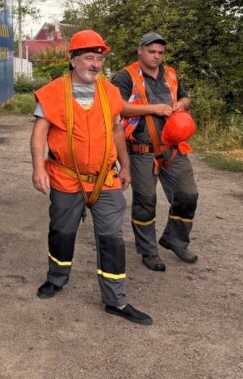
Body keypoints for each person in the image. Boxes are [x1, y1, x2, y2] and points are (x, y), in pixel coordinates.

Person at [31, 30, 152, 325]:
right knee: (62, 232)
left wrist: (125, 166)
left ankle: (116, 300)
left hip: (105, 180)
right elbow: (39, 134)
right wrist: (37, 168)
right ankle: (57, 278)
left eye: (99, 58)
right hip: (65, 177)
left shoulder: (111, 92)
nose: (95, 64)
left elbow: (115, 131)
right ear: (73, 60)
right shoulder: (52, 92)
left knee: (112, 239)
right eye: (89, 58)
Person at [112, 32, 198, 271]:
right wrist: (155, 109)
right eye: (152, 52)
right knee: (145, 201)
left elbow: (185, 97)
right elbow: (117, 107)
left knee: (188, 194)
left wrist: (181, 105)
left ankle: (175, 239)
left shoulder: (170, 73)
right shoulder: (125, 75)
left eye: (160, 52)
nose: (157, 56)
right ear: (140, 50)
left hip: (173, 149)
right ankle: (148, 250)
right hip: (141, 151)